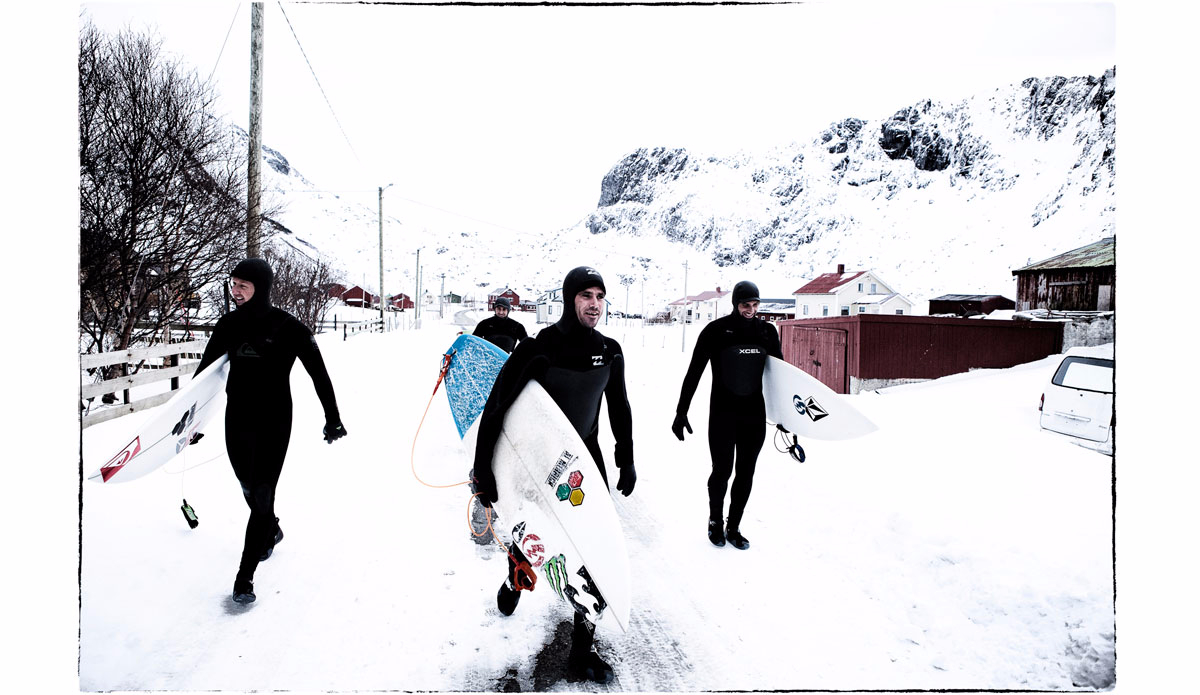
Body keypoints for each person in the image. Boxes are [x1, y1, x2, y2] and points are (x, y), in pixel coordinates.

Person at [472, 266, 636, 684]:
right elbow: (497, 407)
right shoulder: (540, 348)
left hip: (586, 465)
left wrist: (626, 457)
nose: (594, 304)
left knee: (594, 552)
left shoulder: (611, 350)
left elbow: (619, 406)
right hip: (540, 467)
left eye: (600, 296)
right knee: (537, 540)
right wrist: (482, 469)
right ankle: (516, 574)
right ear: (569, 299)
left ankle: (582, 651)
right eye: (585, 296)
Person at [195, 257, 347, 604]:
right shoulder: (228, 325)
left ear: (260, 288)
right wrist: (192, 422)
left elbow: (319, 374)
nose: (235, 292)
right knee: (247, 486)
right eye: (233, 285)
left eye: (242, 286)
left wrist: (332, 418)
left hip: (275, 420)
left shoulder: (290, 328)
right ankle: (271, 528)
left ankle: (244, 578)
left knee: (262, 493)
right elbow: (203, 376)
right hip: (237, 419)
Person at [672, 280, 781, 551]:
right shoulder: (716, 331)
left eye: (755, 305)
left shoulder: (767, 332)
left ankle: (734, 527)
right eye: (746, 304)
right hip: (722, 414)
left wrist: (786, 416)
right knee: (722, 471)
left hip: (754, 416)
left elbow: (780, 376)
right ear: (736, 303)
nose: (751, 309)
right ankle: (715, 522)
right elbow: (694, 372)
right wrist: (681, 411)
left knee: (746, 473)